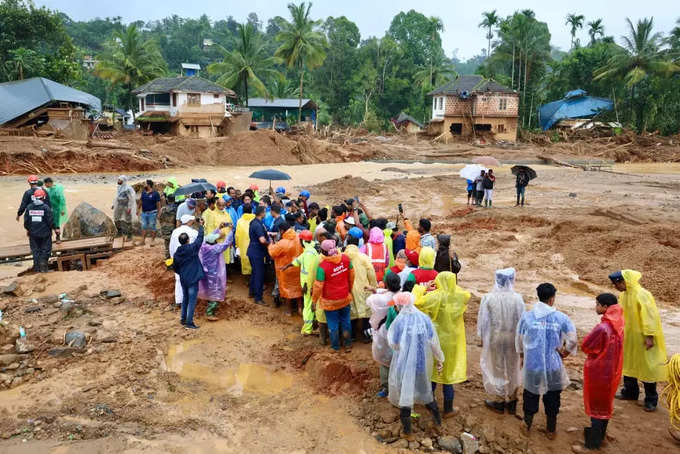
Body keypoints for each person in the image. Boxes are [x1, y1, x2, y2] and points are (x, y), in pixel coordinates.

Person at [516, 283, 577, 440]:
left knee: (530, 394)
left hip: (533, 365)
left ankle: (527, 424)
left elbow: (519, 338)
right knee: (552, 397)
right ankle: (551, 429)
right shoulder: (561, 318)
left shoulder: (527, 317)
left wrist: (522, 355)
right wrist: (565, 353)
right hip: (553, 366)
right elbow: (572, 340)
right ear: (552, 299)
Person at [388, 291, 444, 441]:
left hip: (404, 366)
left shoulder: (399, 322)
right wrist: (440, 359)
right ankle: (438, 423)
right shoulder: (424, 318)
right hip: (421, 364)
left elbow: (393, 343)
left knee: (405, 396)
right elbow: (433, 342)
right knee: (426, 392)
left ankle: (407, 432)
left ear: (400, 305)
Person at [571, 293, 624, 453]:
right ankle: (600, 436)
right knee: (606, 403)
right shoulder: (619, 324)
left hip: (599, 371)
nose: (596, 307)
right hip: (612, 370)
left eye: (597, 304)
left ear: (605, 307)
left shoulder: (602, 328)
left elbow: (586, 345)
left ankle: (592, 445)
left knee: (596, 406)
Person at [415, 271, 470, 418]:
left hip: (437, 339)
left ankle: (430, 401)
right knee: (448, 375)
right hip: (453, 340)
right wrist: (452, 287)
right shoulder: (460, 296)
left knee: (433, 372)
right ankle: (448, 409)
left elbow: (416, 301)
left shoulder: (435, 296)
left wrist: (423, 288)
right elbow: (467, 294)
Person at [610, 270, 667, 412]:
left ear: (624, 281)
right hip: (629, 337)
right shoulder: (624, 295)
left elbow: (650, 316)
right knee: (628, 363)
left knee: (647, 366)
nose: (616, 287)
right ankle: (630, 392)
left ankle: (651, 400)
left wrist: (649, 336)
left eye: (616, 284)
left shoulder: (642, 294)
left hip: (643, 338)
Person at [477, 268, 525, 414]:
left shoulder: (488, 298)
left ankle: (499, 400)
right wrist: (522, 343)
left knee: (497, 368)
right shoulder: (518, 298)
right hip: (513, 338)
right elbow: (523, 322)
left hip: (495, 337)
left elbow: (483, 321)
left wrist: (482, 338)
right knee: (513, 367)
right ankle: (512, 400)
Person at [312, 239, 354, 352]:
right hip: (345, 297)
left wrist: (314, 300)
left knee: (333, 324)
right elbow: (352, 276)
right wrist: (349, 290)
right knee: (346, 321)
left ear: (323, 251)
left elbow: (318, 286)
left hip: (330, 301)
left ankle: (335, 347)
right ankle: (348, 344)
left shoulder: (322, 267)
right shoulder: (346, 259)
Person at [366, 272, 402, 397]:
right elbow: (390, 296)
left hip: (384, 333)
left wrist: (375, 291)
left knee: (384, 361)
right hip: (399, 334)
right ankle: (398, 387)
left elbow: (369, 301)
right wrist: (376, 290)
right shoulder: (403, 296)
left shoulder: (379, 299)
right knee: (397, 360)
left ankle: (386, 388)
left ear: (386, 284)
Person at [285, 230, 322, 337]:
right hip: (313, 284)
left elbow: (310, 271)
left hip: (309, 285)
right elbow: (299, 260)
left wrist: (307, 286)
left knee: (308, 307)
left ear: (302, 240)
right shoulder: (311, 250)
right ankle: (315, 325)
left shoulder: (309, 254)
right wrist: (288, 265)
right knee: (313, 305)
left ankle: (307, 329)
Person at [345, 235, 378, 343]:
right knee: (366, 314)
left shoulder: (342, 257)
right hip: (364, 288)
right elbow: (371, 273)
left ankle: (353, 336)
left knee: (351, 313)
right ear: (358, 244)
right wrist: (373, 286)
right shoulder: (363, 257)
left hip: (348, 289)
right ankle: (366, 336)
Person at [173, 223, 205, 330]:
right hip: (193, 279)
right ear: (188, 240)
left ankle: (183, 319)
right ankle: (189, 322)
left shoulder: (177, 253)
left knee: (185, 298)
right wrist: (201, 226)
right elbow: (200, 239)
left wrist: (182, 273)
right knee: (192, 300)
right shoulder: (192, 248)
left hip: (183, 279)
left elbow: (175, 267)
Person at [198, 225, 234, 320]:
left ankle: (209, 305)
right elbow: (226, 243)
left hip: (205, 273)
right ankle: (209, 313)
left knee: (208, 289)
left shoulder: (203, 246)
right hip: (213, 274)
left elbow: (210, 236)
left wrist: (218, 228)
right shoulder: (214, 249)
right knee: (215, 292)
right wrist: (231, 231)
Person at [268, 222, 303, 315]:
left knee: (287, 291)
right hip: (298, 267)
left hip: (286, 269)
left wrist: (271, 243)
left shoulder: (282, 243)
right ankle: (300, 309)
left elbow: (272, 253)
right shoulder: (298, 237)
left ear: (282, 230)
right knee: (298, 288)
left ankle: (289, 311)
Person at [170, 215, 199, 306]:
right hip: (190, 259)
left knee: (178, 279)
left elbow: (171, 247)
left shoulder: (175, 231)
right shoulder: (194, 232)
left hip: (178, 258)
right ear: (189, 221)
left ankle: (179, 301)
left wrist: (173, 258)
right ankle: (190, 300)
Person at [23, 188, 54, 273]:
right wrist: (52, 229)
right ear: (43, 197)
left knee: (35, 251)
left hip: (33, 234)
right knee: (46, 250)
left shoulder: (29, 207)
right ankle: (44, 268)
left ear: (34, 197)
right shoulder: (46, 208)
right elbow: (50, 221)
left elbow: (26, 222)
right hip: (45, 234)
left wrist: (29, 229)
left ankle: (37, 269)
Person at [247, 206, 270, 305]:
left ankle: (252, 292)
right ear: (261, 213)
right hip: (257, 253)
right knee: (259, 275)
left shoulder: (254, 222)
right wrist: (270, 244)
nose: (265, 213)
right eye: (265, 212)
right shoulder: (258, 225)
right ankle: (258, 298)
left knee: (255, 273)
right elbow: (262, 240)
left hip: (253, 251)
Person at [203, 197, 234, 265]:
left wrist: (231, 238)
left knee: (225, 261)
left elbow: (230, 224)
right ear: (217, 205)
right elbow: (210, 228)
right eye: (220, 205)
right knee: (218, 261)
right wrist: (214, 238)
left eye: (223, 205)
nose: (222, 207)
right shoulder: (212, 214)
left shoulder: (226, 213)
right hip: (217, 241)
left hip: (226, 240)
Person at [112, 175, 136, 240]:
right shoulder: (119, 187)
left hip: (126, 206)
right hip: (119, 205)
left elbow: (131, 198)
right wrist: (114, 204)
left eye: (119, 180)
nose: (118, 181)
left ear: (123, 181)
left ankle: (129, 235)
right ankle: (120, 232)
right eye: (118, 180)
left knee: (128, 220)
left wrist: (129, 207)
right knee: (116, 218)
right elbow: (117, 196)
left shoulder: (128, 189)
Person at [235, 205, 256, 276]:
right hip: (255, 246)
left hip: (243, 246)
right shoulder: (256, 220)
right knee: (255, 264)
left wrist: (237, 245)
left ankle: (248, 280)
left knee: (245, 262)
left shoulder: (240, 221)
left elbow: (237, 235)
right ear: (252, 210)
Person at [139, 179, 161, 245]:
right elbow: (141, 201)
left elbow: (158, 204)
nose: (143, 185)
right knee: (143, 226)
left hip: (153, 213)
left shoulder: (155, 193)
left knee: (152, 226)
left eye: (145, 183)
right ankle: (143, 240)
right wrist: (138, 209)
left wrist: (159, 213)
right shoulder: (143, 192)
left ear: (148, 185)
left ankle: (152, 241)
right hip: (144, 213)